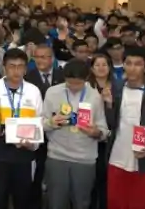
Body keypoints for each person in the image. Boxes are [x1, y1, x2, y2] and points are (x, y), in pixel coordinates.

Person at [105, 47, 145, 209]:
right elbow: (110, 124)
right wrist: (108, 105)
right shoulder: (116, 89)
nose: (132, 68)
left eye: (137, 64)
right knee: (115, 203)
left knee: (140, 204)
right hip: (117, 157)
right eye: (128, 63)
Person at [0, 48, 44, 209]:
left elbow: (40, 121)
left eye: (20, 66)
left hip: (25, 154)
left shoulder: (33, 91)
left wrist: (33, 144)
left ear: (26, 69)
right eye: (12, 66)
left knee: (22, 200)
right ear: (4, 67)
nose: (16, 71)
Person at [42, 59, 109, 209]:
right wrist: (51, 122)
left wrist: (95, 132)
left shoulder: (95, 96)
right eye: (69, 83)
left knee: (82, 203)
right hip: (57, 157)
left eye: (77, 84)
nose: (73, 87)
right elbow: (41, 124)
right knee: (56, 203)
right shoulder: (52, 92)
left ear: (86, 79)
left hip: (84, 159)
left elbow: (104, 130)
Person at [24, 42, 63, 208]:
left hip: (60, 133)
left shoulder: (63, 75)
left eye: (44, 57)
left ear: (51, 58)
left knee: (58, 176)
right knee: (36, 174)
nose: (41, 60)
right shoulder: (28, 78)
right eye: (37, 57)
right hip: (37, 132)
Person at [87, 53, 118, 209]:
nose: (101, 68)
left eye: (104, 64)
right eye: (97, 65)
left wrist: (110, 104)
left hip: (110, 141)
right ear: (92, 69)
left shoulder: (118, 88)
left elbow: (117, 120)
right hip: (89, 138)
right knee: (91, 181)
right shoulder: (85, 88)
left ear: (110, 67)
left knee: (106, 181)